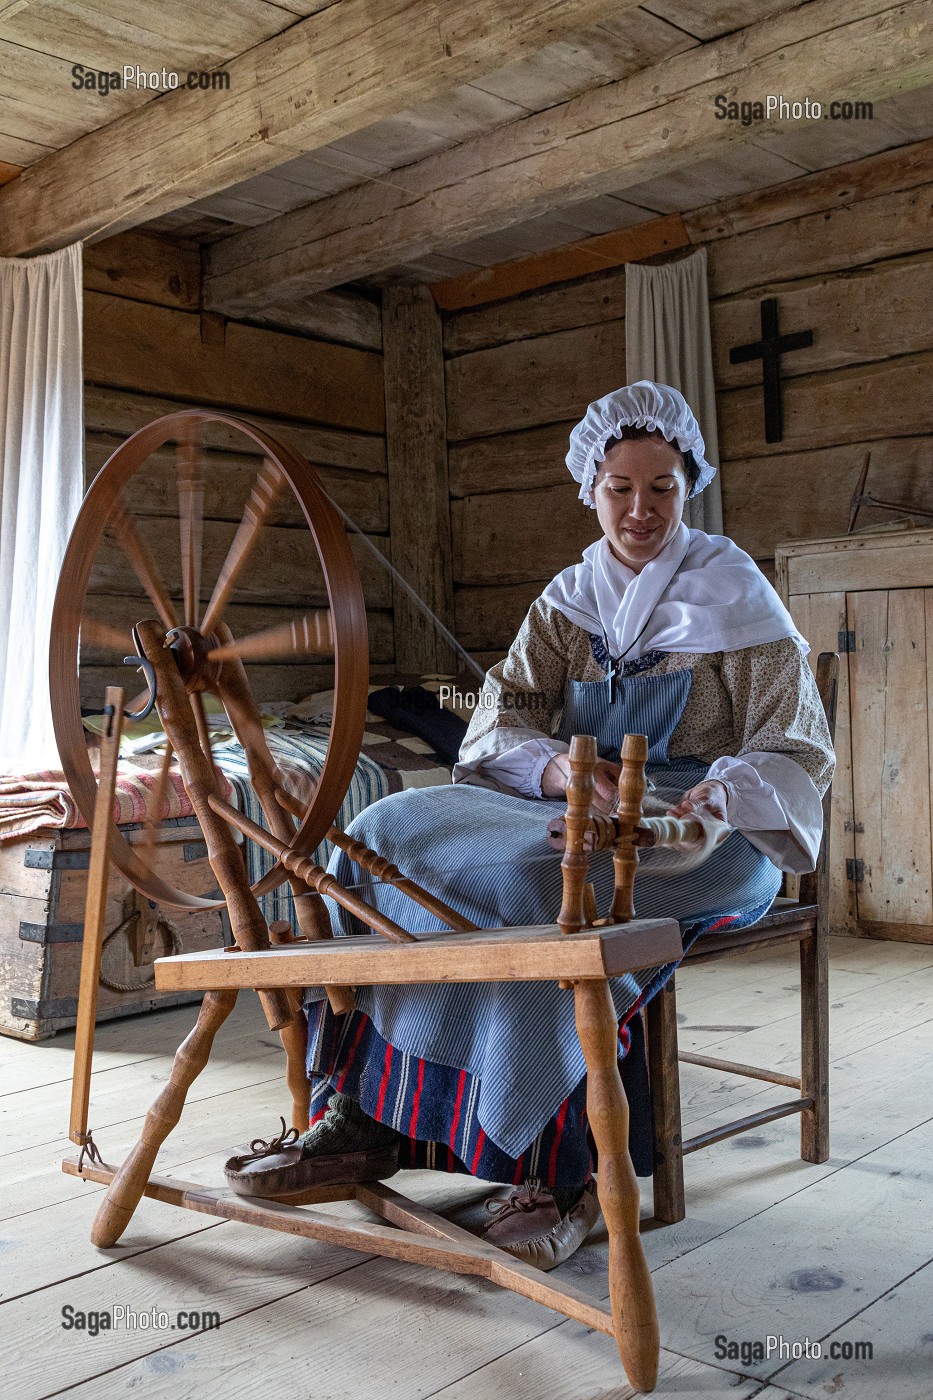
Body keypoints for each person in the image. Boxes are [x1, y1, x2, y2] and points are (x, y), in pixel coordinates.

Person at [225, 381, 835, 1271]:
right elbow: (496, 719)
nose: (639, 510)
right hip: (574, 803)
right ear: (589, 486)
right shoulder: (569, 599)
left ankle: (556, 1173)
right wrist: (554, 768)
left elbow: (794, 743)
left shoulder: (734, 594)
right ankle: (364, 1111)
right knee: (388, 826)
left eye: (659, 487)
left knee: (528, 885)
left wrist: (713, 798)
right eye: (619, 488)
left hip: (704, 834)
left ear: (687, 484)